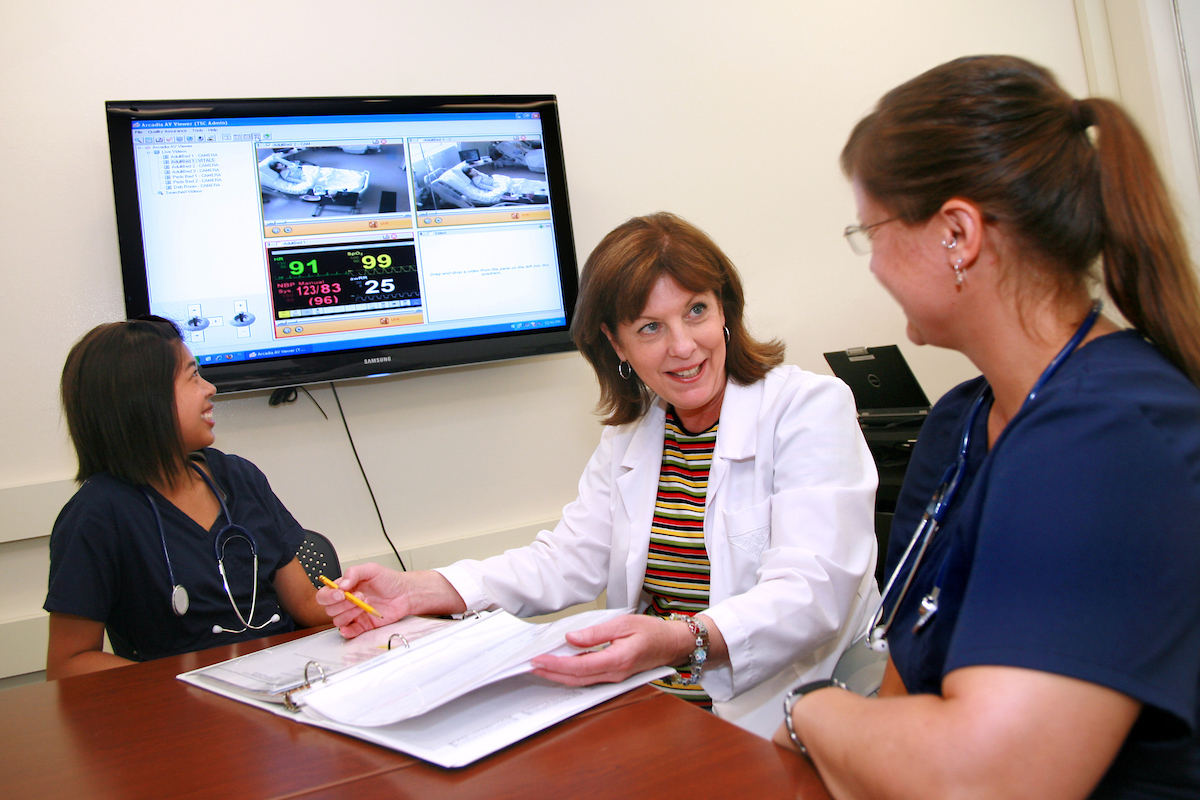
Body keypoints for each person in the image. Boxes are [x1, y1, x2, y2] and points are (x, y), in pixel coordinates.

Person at [776, 55, 1200, 797]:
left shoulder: (1106, 433)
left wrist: (811, 709)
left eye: (870, 230)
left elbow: (988, 780)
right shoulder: (958, 425)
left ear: (957, 234)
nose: (872, 264)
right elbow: (906, 698)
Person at [318, 212, 880, 736]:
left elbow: (810, 594)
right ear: (616, 343)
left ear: (725, 310)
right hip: (651, 702)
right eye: (650, 327)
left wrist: (679, 640)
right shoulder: (634, 433)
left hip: (777, 715)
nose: (684, 345)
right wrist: (420, 590)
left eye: (696, 311)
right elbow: (568, 559)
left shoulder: (808, 408)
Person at [44, 316, 328, 679]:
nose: (210, 388)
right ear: (145, 398)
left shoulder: (239, 477)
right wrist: (181, 688)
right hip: (183, 702)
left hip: (285, 684)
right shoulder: (97, 514)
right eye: (193, 377)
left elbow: (305, 603)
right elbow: (69, 663)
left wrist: (368, 604)